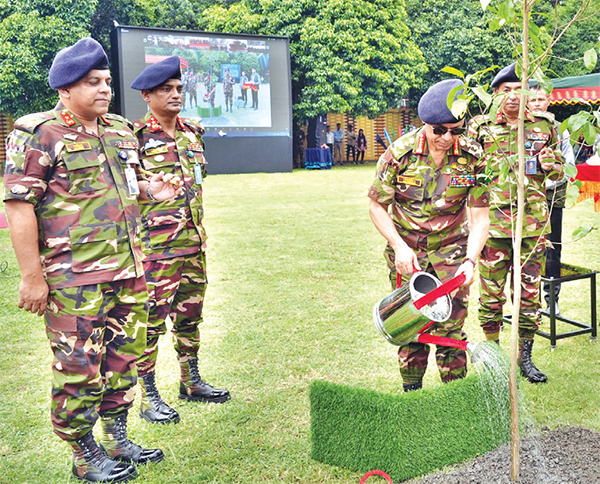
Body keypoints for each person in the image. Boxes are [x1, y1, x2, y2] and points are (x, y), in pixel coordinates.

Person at [3, 38, 182, 483]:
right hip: (74, 277)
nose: (104, 89)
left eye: (106, 81)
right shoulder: (37, 131)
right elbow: (19, 205)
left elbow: (124, 185)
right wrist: (32, 277)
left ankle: (118, 437)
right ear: (65, 89)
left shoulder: (120, 129)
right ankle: (84, 453)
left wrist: (150, 191)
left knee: (124, 359)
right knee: (80, 365)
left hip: (129, 268)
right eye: (92, 82)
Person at [368, 79, 490, 392]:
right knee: (410, 329)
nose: (448, 138)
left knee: (451, 332)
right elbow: (377, 206)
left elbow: (479, 216)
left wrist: (471, 261)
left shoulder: (473, 157)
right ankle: (413, 398)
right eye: (440, 130)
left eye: (456, 130)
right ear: (426, 124)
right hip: (409, 256)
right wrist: (399, 247)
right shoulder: (400, 154)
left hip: (452, 254)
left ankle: (454, 400)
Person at [130, 56, 231, 425]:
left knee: (190, 316)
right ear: (147, 95)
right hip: (156, 249)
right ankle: (148, 395)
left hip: (194, 243)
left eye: (178, 89)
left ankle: (190, 381)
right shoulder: (135, 138)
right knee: (151, 322)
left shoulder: (192, 132)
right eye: (165, 90)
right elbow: (129, 193)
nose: (175, 95)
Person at [468, 63, 564, 384]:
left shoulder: (543, 127)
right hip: (492, 228)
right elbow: (464, 176)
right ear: (495, 95)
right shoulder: (480, 128)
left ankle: (525, 357)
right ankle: (495, 356)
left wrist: (553, 168)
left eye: (517, 91)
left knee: (528, 295)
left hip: (533, 228)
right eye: (505, 92)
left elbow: (559, 174)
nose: (512, 97)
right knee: (491, 295)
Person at [527, 83, 575, 316]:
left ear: (548, 100)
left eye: (540, 99)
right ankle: (526, 303)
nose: (537, 104)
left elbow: (569, 167)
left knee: (552, 248)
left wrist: (546, 178)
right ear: (527, 102)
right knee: (524, 248)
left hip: (550, 197)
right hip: (523, 199)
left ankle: (551, 299)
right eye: (532, 100)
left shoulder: (558, 129)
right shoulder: (519, 128)